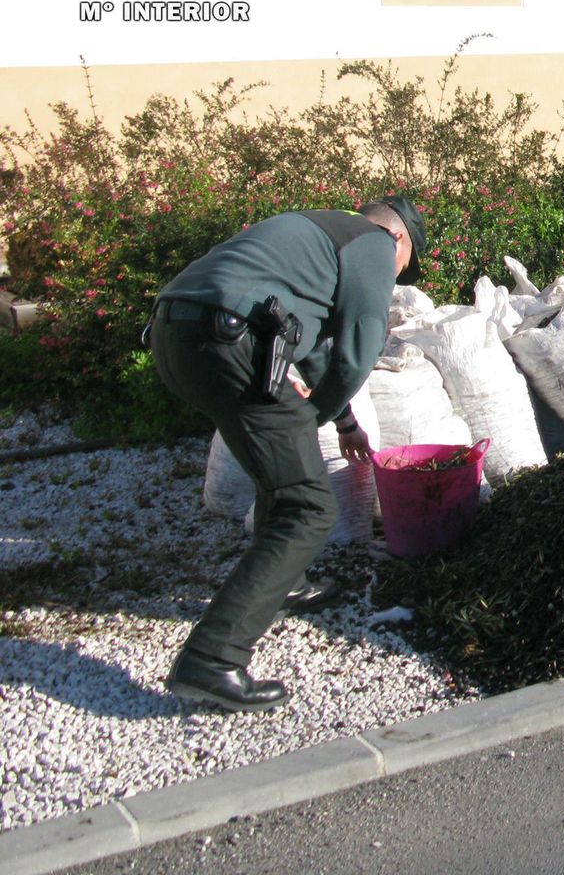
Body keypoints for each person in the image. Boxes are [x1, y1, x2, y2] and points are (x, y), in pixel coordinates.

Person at [149, 196, 426, 709]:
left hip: (175, 335)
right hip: (229, 337)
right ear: (398, 239)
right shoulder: (372, 243)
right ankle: (212, 658)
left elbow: (316, 352)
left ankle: (289, 583)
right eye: (402, 268)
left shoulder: (318, 236)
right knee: (308, 506)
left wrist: (343, 421)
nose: (394, 276)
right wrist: (312, 414)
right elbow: (359, 350)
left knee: (279, 467)